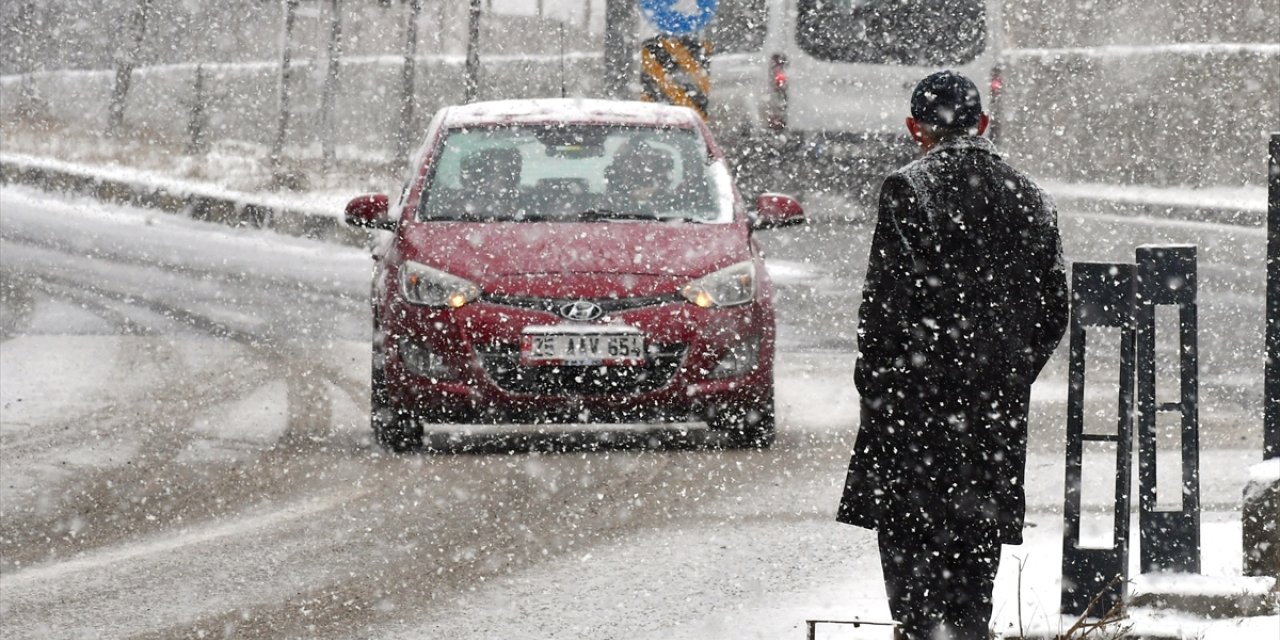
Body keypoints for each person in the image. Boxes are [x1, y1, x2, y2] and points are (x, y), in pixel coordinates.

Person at [837, 70, 1069, 640]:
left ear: (915, 128)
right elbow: (1053, 308)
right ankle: (967, 629)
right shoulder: (1028, 194)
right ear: (983, 123)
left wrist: (881, 384)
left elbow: (885, 306)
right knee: (974, 536)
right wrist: (1007, 372)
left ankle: (920, 629)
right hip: (992, 407)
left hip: (914, 403)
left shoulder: (909, 189)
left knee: (911, 538)